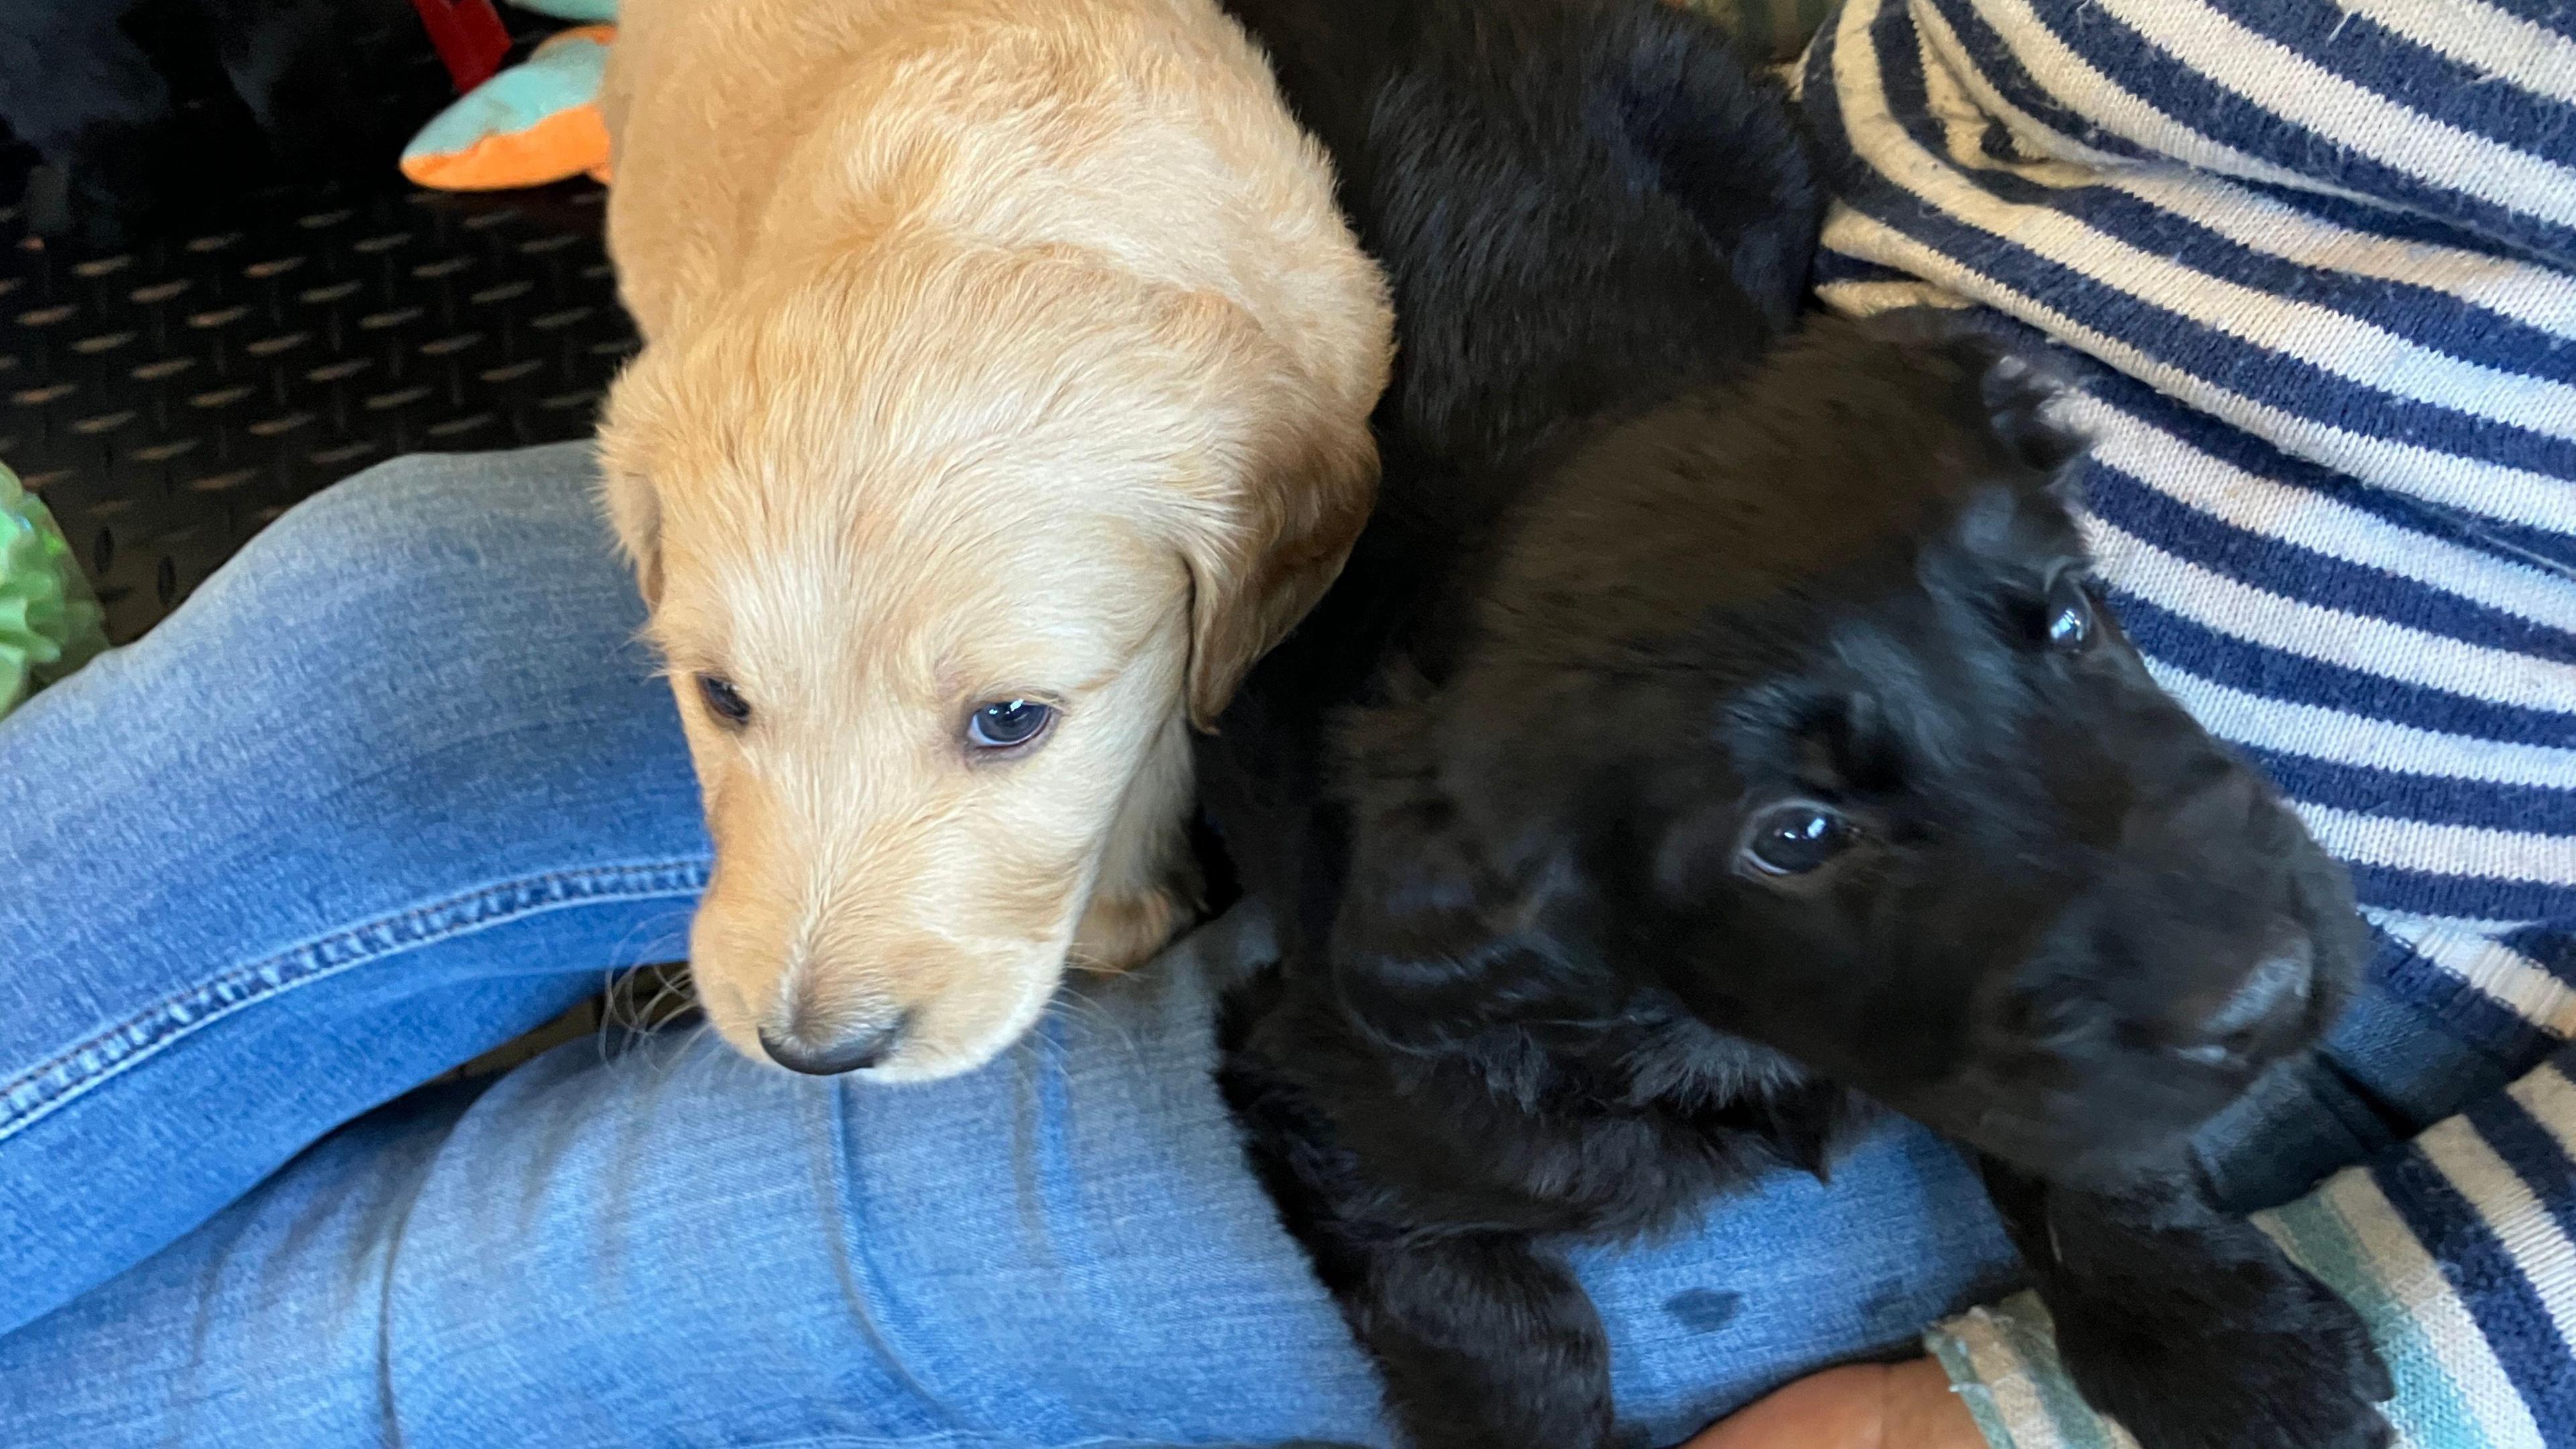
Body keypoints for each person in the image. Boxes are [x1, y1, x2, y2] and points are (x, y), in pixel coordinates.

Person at [3, 0, 2571, 1444]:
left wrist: (2304, 1364)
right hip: (1658, 411)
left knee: (434, 1313)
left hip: (2154, 962)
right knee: (341, 648)